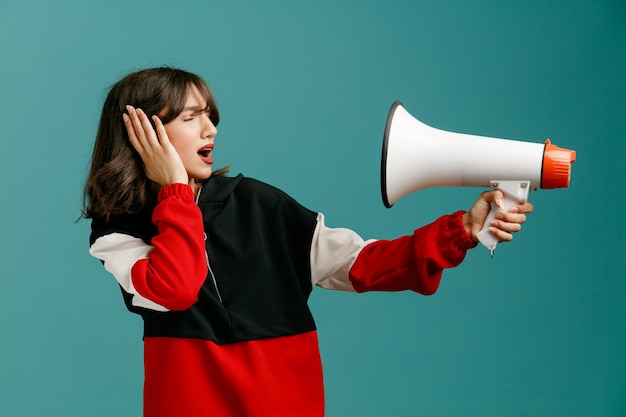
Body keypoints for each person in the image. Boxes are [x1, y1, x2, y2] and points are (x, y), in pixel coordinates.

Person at [83, 67, 532, 417]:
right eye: (190, 117)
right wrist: (176, 194)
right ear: (145, 136)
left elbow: (365, 265)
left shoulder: (261, 205)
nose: (211, 130)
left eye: (209, 115)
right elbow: (176, 288)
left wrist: (463, 231)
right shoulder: (118, 234)